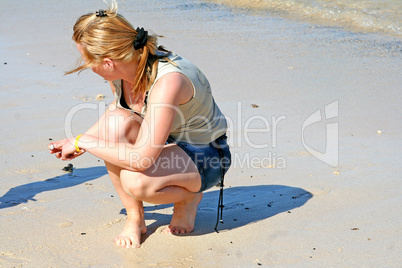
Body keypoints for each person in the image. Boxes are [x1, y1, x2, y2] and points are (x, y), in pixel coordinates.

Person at [49, 2, 231, 248]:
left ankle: (189, 198)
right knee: (113, 126)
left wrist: (86, 141)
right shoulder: (124, 70)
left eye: (86, 60)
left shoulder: (169, 80)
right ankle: (136, 219)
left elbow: (142, 160)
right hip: (164, 142)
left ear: (108, 62)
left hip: (206, 153)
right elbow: (118, 111)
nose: (87, 67)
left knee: (136, 181)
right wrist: (80, 142)